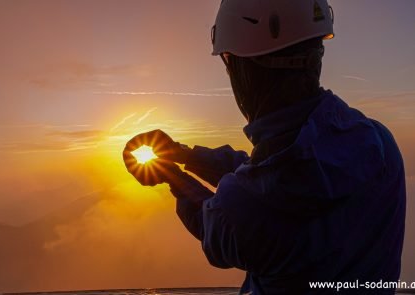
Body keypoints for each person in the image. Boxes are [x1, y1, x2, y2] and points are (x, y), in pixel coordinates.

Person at [123, 0, 406, 294]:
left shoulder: (247, 207)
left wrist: (169, 175)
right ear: (316, 54)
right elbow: (261, 177)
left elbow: (216, 218)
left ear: (243, 66)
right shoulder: (381, 145)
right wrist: (183, 154)